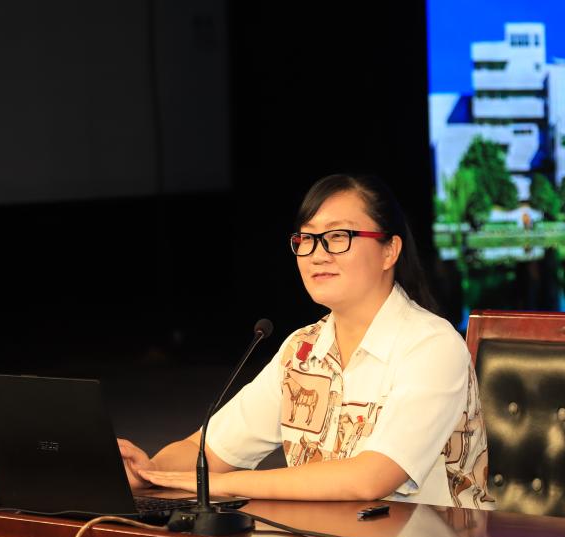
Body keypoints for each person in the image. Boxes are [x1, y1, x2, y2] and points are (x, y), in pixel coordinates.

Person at [119, 174, 494, 509]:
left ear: (389, 251)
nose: (317, 254)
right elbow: (205, 451)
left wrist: (221, 485)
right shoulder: (301, 350)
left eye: (337, 237)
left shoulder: (431, 345)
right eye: (307, 239)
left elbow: (371, 478)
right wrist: (147, 472)